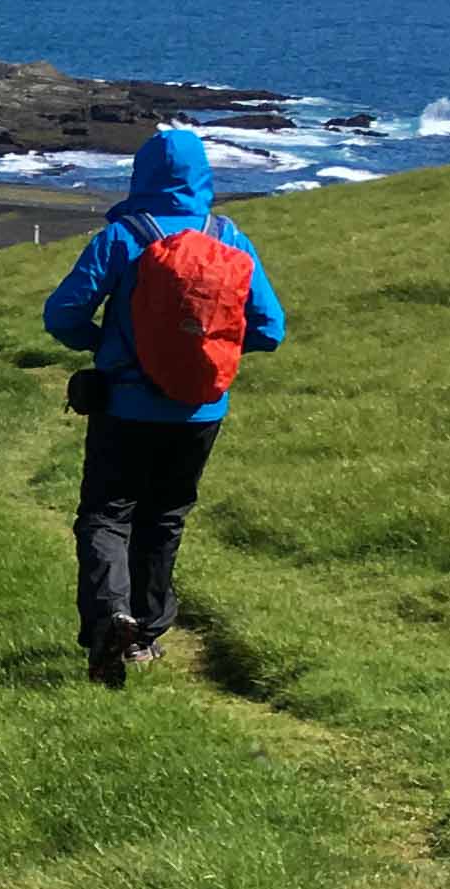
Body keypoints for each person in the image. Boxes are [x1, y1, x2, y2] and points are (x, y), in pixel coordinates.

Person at [41, 126, 285, 687]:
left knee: (107, 515)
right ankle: (145, 636)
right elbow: (271, 329)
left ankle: (109, 619)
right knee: (165, 518)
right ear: (203, 176)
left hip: (124, 407)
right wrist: (210, 348)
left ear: (142, 173)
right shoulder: (229, 237)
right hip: (200, 412)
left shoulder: (124, 237)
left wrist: (104, 346)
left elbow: (61, 315)